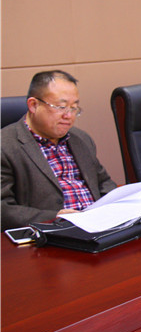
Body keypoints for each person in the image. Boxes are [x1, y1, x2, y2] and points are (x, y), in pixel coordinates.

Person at [1, 70, 117, 230]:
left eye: (74, 108)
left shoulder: (81, 139)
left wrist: (117, 206)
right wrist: (55, 217)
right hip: (50, 233)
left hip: (99, 225)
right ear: (33, 105)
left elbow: (103, 182)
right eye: (61, 107)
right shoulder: (5, 145)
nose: (69, 116)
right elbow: (3, 209)